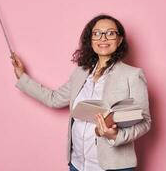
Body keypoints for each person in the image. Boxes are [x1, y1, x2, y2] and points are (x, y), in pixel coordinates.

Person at [11, 14, 151, 171]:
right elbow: (54, 99)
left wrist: (115, 136)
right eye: (97, 33)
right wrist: (22, 77)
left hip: (113, 167)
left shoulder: (132, 75)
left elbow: (144, 122)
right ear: (90, 40)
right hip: (78, 164)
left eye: (110, 33)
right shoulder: (80, 72)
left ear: (119, 40)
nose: (103, 38)